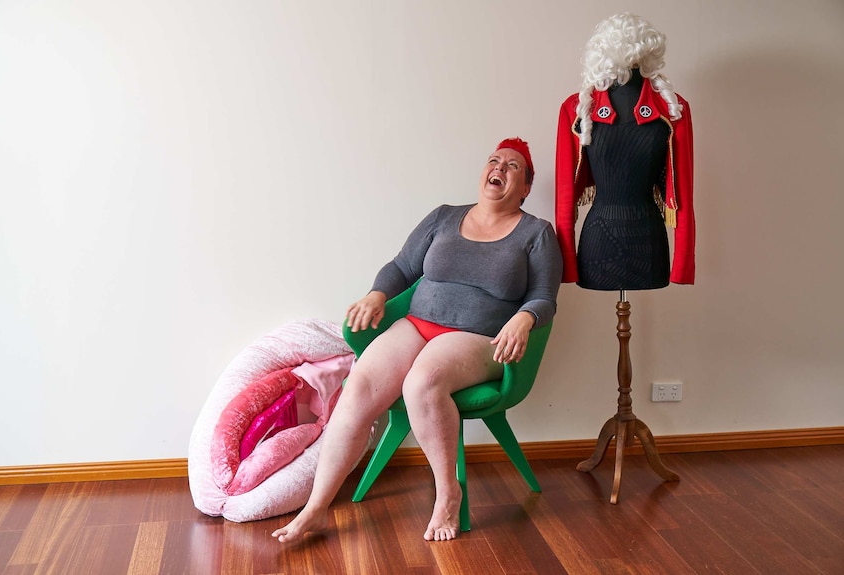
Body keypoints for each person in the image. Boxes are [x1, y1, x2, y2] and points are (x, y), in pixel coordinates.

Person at [272, 138, 561, 543]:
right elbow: (403, 267)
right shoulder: (444, 217)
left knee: (422, 383)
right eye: (494, 160)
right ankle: (316, 508)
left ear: (526, 186)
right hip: (417, 324)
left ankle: (448, 496)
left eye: (513, 166)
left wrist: (525, 318)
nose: (500, 168)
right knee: (358, 387)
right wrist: (377, 294)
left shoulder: (536, 233)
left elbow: (545, 297)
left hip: (478, 337)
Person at [555, 12, 695, 289]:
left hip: (649, 243)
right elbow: (565, 196)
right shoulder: (575, 110)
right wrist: (566, 263)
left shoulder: (674, 109)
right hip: (598, 243)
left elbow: (683, 194)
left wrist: (682, 264)